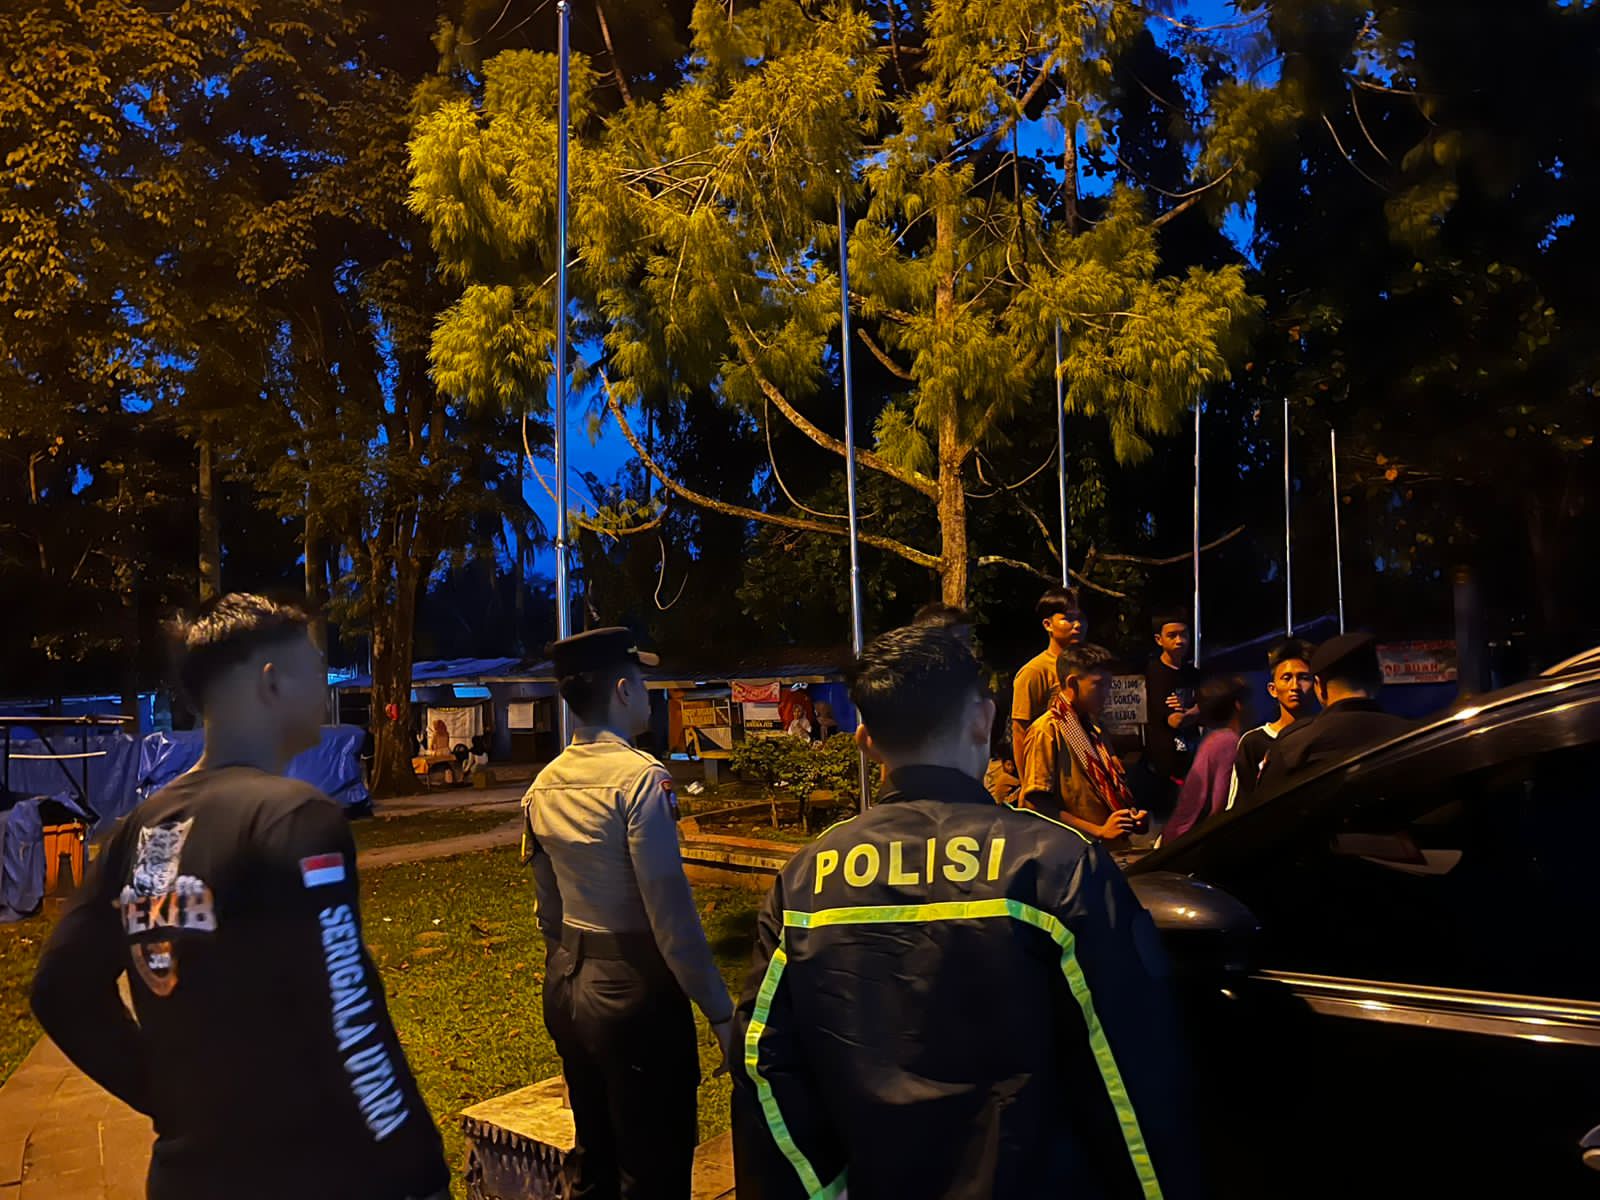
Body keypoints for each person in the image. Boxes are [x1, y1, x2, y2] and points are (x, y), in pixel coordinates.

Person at [730, 624, 1199, 1200]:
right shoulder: (1057, 863)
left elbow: (762, 1061)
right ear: (984, 719)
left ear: (865, 740)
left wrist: (825, 1188)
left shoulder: (806, 877)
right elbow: (1133, 1071)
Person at [31, 594, 449, 1200]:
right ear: (271, 682)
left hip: (184, 1178)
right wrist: (420, 1169)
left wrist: (167, 1098)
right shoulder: (296, 817)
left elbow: (60, 990)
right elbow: (351, 1018)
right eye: (315, 668)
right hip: (304, 1175)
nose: (324, 684)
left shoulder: (139, 828)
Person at [522, 627, 734, 1200]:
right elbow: (672, 920)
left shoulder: (544, 785)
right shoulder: (640, 780)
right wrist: (721, 1014)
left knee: (596, 1159)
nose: (647, 695)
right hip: (634, 993)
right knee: (653, 1168)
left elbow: (548, 911)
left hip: (568, 987)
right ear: (621, 690)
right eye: (642, 683)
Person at [1018, 646, 1148, 847]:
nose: (1107, 693)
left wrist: (1128, 819)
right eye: (1099, 685)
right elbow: (1035, 804)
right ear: (1072, 683)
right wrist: (1098, 831)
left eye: (1109, 685)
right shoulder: (1046, 730)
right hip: (1072, 850)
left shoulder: (1093, 727)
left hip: (1104, 847)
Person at [1254, 632, 1415, 796]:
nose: (1294, 686)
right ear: (1379, 680)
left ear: (1319, 685)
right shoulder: (1412, 736)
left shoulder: (1291, 747)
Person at [1227, 639, 1315, 808]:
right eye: (1287, 678)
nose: (1295, 686)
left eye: (1303, 678)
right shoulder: (1253, 741)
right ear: (1272, 689)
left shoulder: (1324, 731)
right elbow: (1238, 804)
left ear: (1316, 684)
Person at [1010, 587, 1087, 774]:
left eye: (1081, 618)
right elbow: (1020, 731)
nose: (1077, 625)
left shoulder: (1087, 667)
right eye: (1068, 618)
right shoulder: (1034, 672)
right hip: (1051, 771)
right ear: (1048, 624)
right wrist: (1027, 781)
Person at [1165, 676, 1249, 842]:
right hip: (1191, 840)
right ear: (1238, 705)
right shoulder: (1226, 742)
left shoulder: (1215, 740)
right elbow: (1217, 802)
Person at [1143, 611, 1200, 814]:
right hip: (1164, 766)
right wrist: (1195, 711)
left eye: (1184, 634)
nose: (1180, 640)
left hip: (1192, 759)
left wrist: (1193, 711)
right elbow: (1175, 720)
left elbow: (1210, 707)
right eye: (1172, 635)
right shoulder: (1154, 673)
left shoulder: (1192, 673)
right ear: (1159, 640)